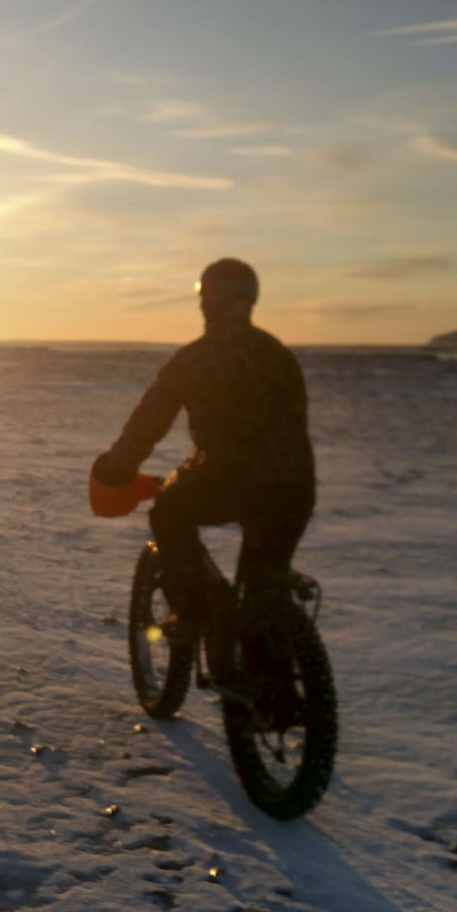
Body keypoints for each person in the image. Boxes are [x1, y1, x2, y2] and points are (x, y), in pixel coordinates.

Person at [92, 258, 315, 679]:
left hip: (227, 482)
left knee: (168, 511)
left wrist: (115, 470)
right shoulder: (279, 355)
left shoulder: (196, 359)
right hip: (293, 489)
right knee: (265, 582)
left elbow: (147, 425)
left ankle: (192, 612)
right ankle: (271, 679)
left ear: (208, 300)